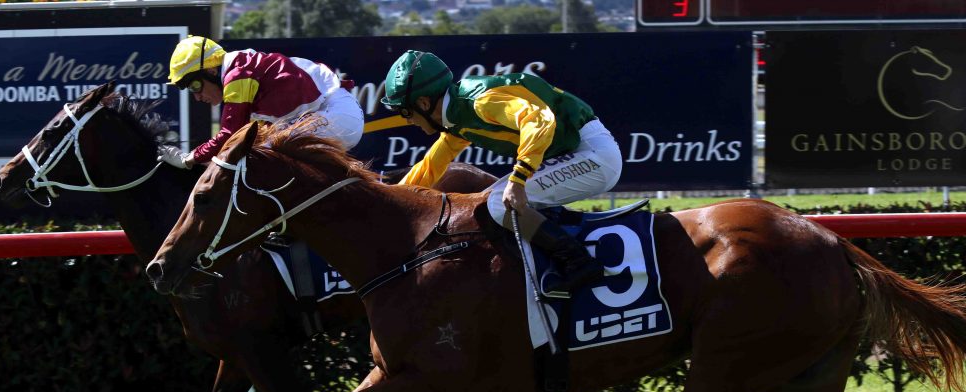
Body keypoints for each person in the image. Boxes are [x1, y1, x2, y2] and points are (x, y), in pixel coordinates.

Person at [381, 50, 623, 293]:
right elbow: (430, 166)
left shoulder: (478, 102)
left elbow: (538, 119)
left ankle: (578, 263)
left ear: (424, 103)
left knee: (498, 203)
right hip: (574, 153)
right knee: (484, 202)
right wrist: (392, 202)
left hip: (594, 155)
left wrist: (519, 178)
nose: (408, 120)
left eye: (405, 112)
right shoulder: (455, 115)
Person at [160, 36, 364, 168]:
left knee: (255, 159)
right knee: (250, 154)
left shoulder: (237, 74)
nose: (197, 97)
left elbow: (229, 134)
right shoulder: (240, 67)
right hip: (334, 113)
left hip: (334, 114)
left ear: (211, 70)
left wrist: (188, 159)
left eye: (195, 86)